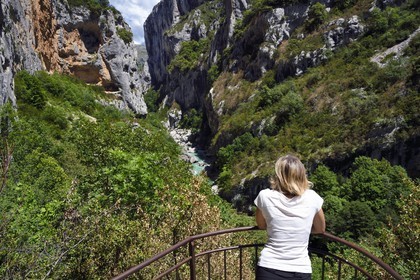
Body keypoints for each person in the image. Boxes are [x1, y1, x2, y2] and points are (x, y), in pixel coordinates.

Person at [254, 154, 325, 280]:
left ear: (279, 175)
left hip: (269, 267)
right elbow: (320, 229)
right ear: (301, 175)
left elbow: (261, 225)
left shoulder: (264, 196)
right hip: (299, 269)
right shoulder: (312, 198)